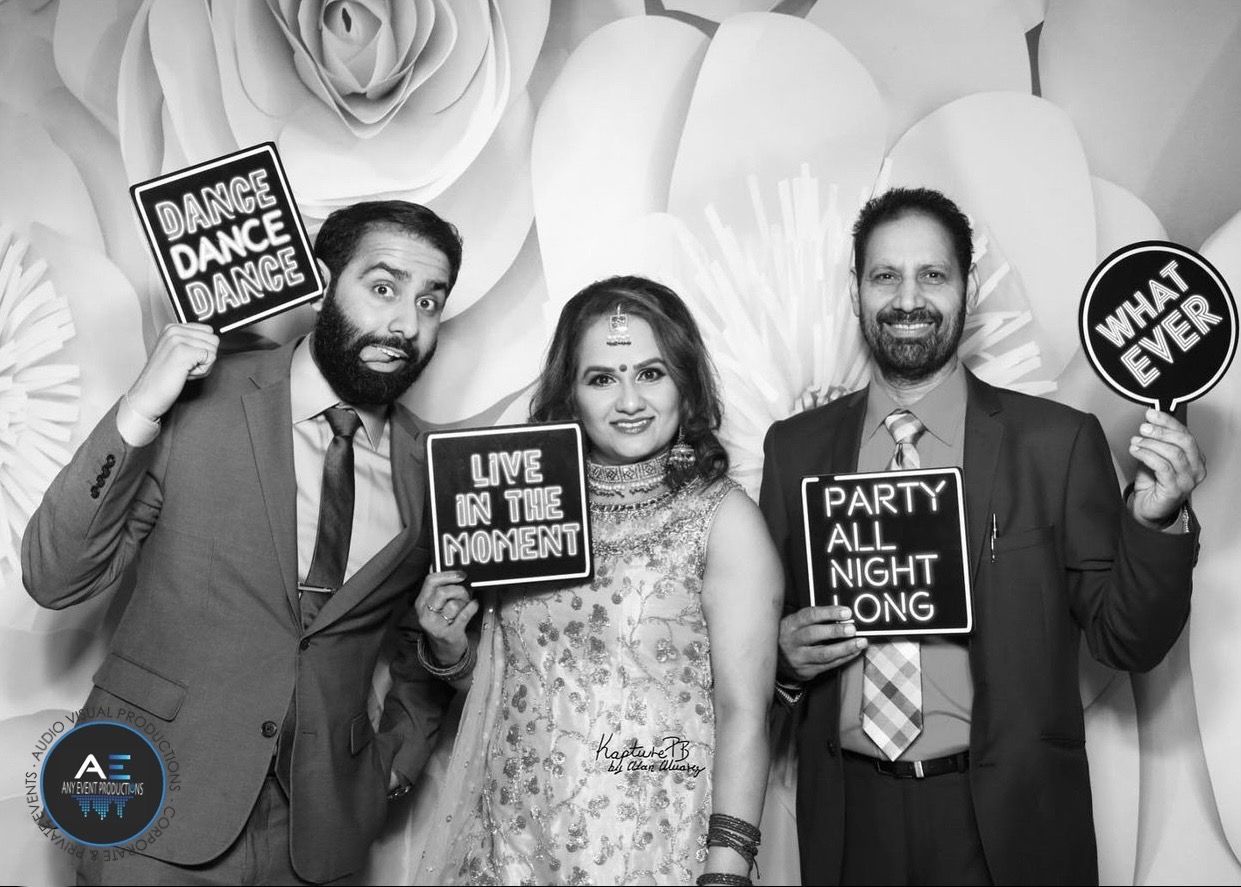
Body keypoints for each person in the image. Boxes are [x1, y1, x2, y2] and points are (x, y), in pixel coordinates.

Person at [760, 187, 1206, 886]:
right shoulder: (794, 450)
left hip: (1006, 821)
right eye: (885, 276)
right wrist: (782, 658)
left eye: (931, 275)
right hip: (851, 820)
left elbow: (1128, 640)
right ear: (855, 292)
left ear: (965, 287)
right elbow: (754, 639)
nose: (908, 298)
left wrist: (1154, 523)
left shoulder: (1053, 444)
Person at [22, 201, 462, 885]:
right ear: (321, 286)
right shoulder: (200, 401)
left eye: (429, 302)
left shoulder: (435, 467)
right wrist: (140, 406)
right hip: (150, 805)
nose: (405, 323)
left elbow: (417, 642)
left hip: (318, 839)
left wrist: (391, 766)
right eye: (383, 288)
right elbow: (55, 574)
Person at [407, 276, 783, 885]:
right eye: (602, 378)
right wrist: (451, 646)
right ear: (571, 396)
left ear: (686, 385)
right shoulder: (529, 503)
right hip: (515, 844)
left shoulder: (722, 518)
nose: (629, 399)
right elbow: (517, 686)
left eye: (651, 373)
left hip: (654, 848)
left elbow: (744, 711)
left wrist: (727, 870)